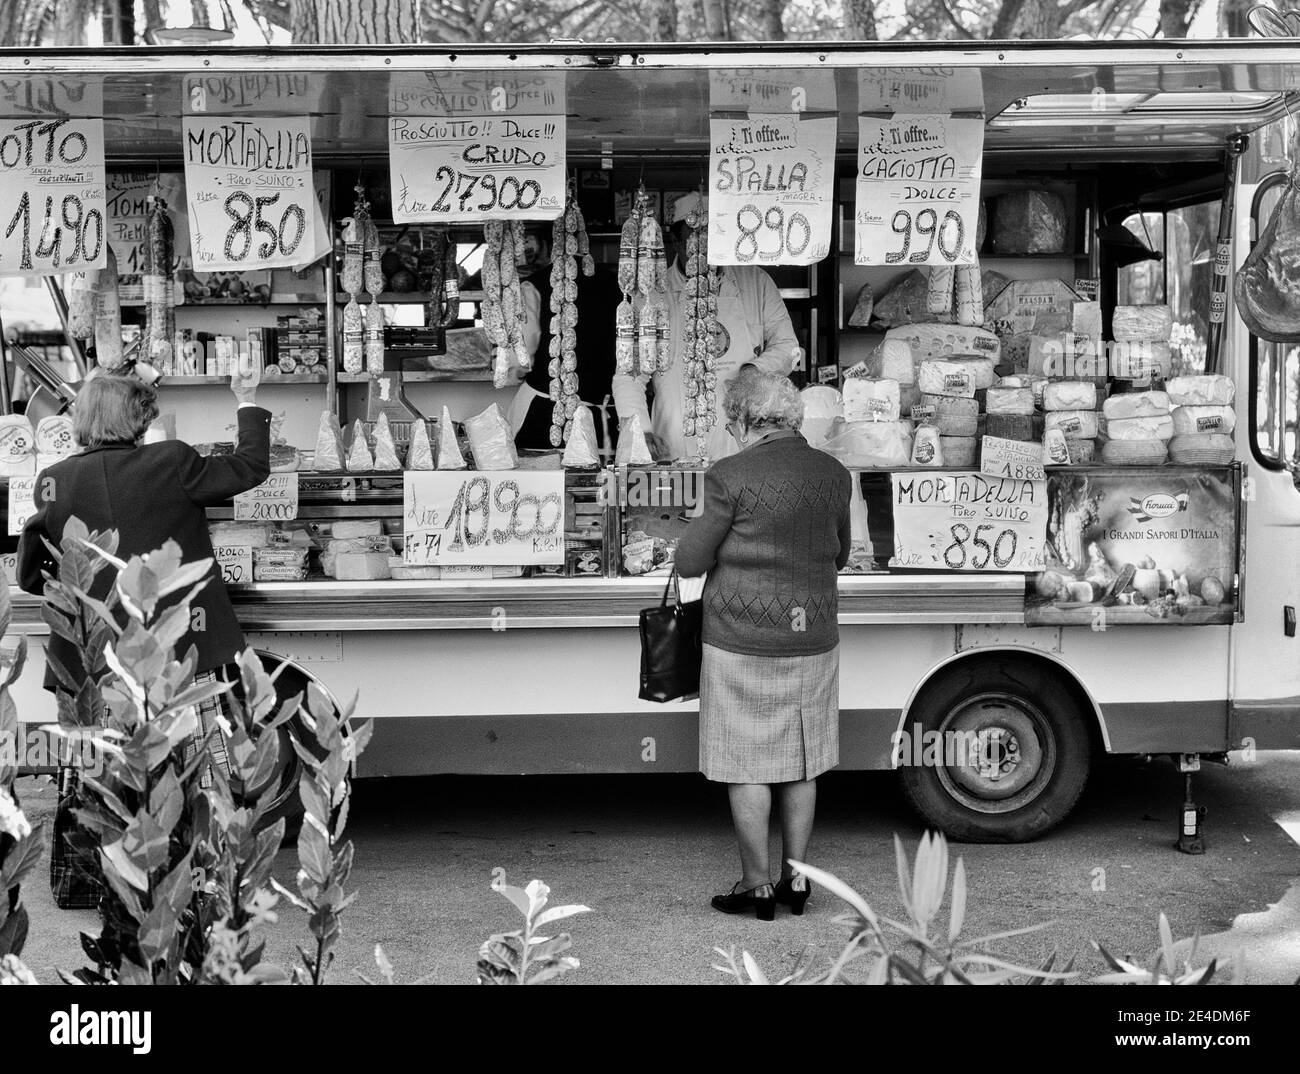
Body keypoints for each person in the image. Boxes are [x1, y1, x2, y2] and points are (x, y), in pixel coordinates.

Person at [675, 366, 852, 920]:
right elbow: (840, 554)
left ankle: (755, 887)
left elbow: (689, 560)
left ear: (748, 419)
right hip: (814, 636)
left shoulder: (728, 475)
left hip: (740, 641)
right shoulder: (834, 473)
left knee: (746, 763)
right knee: (802, 761)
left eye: (732, 421)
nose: (731, 431)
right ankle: (796, 882)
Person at [18, 368, 270, 755]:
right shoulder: (173, 459)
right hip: (177, 643)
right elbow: (249, 466)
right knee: (195, 767)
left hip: (95, 654)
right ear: (137, 419)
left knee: (109, 772)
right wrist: (246, 398)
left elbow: (31, 573)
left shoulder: (55, 479)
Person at [611, 192, 799, 462]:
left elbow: (787, 347)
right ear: (676, 240)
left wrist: (754, 370)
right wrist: (640, 431)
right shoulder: (651, 295)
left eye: (716, 236)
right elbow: (629, 374)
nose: (706, 247)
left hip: (746, 443)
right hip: (673, 443)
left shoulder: (755, 282)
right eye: (695, 237)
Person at [507, 225, 622, 452]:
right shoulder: (616, 286)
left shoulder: (532, 286)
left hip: (544, 417)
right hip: (604, 419)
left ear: (549, 246)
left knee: (543, 485)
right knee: (598, 484)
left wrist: (509, 373)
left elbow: (520, 357)